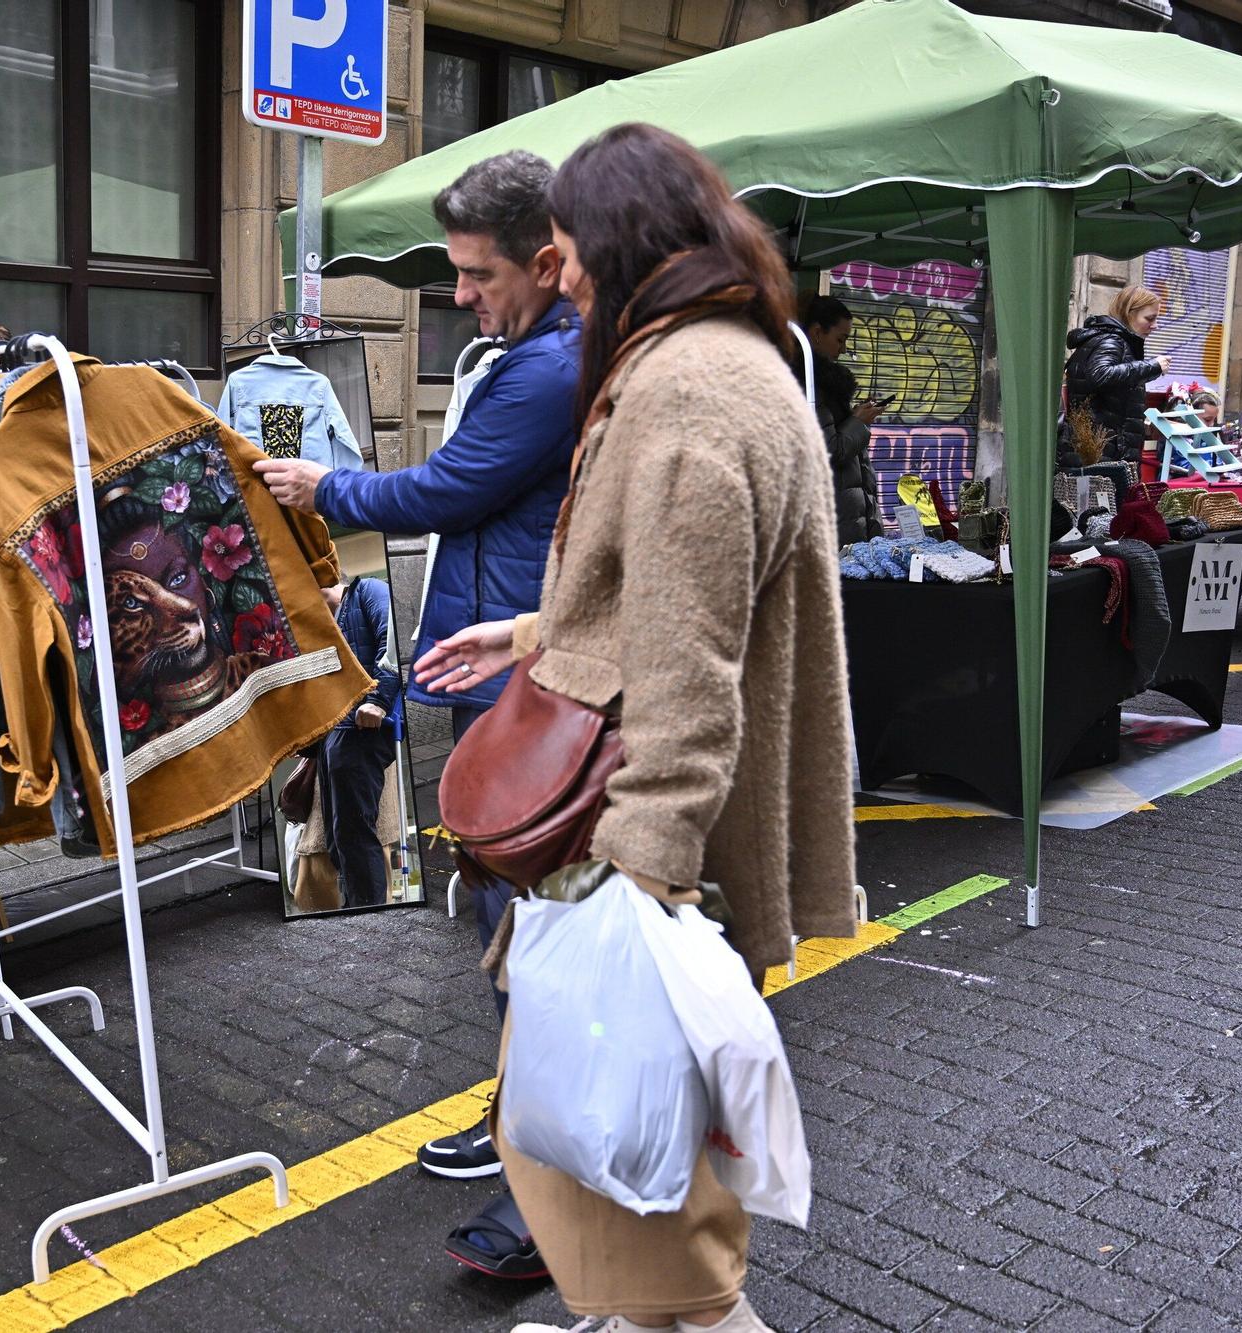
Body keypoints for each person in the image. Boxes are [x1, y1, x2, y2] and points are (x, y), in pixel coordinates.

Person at [416, 123, 858, 1333]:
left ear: (610, 240)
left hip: (644, 825)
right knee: (640, 1140)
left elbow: (689, 657)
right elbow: (670, 594)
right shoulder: (721, 358)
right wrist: (526, 636)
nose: (552, 274)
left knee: (638, 1146)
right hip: (664, 807)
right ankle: (632, 1316)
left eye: (556, 249)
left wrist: (642, 876)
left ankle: (671, 1320)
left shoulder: (682, 389)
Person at [255, 149, 582, 1248]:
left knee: (522, 925)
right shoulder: (528, 347)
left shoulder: (550, 367)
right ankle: (523, 1123)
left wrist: (323, 485)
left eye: (476, 274)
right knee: (508, 919)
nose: (457, 294)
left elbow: (452, 487)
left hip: (525, 681)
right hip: (499, 661)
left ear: (549, 258)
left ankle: (546, 1161)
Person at [318, 577, 401, 907]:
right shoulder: (323, 623)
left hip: (361, 727)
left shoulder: (366, 590)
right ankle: (357, 905)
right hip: (337, 731)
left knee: (352, 831)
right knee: (339, 835)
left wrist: (379, 699)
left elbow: (390, 639)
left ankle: (367, 911)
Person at [796, 295, 884, 544]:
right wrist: (858, 422)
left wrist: (855, 417)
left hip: (841, 517)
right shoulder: (808, 386)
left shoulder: (824, 385)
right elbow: (828, 450)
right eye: (840, 339)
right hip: (829, 524)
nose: (844, 349)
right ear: (816, 333)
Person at [1059, 285, 1171, 465]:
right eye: (1149, 318)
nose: (1155, 325)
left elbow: (1114, 382)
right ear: (1129, 313)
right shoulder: (1111, 341)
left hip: (1104, 449)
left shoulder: (1113, 341)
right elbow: (1101, 374)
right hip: (1101, 452)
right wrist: (1152, 366)